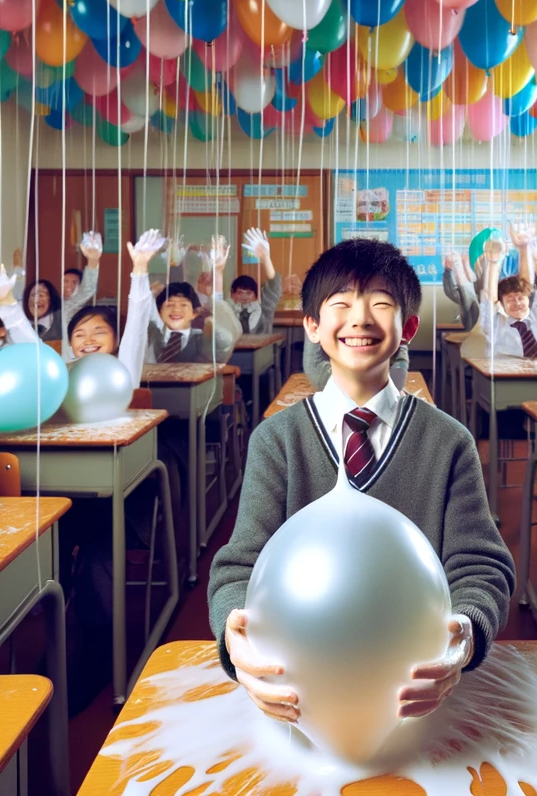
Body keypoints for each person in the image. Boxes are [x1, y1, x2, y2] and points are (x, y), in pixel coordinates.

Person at [208, 239, 514, 724]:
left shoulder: (448, 442)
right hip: (299, 692)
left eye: (381, 302)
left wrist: (466, 637)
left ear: (408, 327)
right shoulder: (276, 441)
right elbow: (239, 566)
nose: (361, 318)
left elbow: (481, 565)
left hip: (420, 692)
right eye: (341, 303)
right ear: (313, 325)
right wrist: (236, 641)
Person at [0, 229, 165, 389]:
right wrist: (5, 299)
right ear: (70, 344)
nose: (89, 340)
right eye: (79, 335)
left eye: (99, 332)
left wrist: (140, 269)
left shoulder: (124, 368)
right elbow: (32, 347)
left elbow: (136, 326)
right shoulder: (64, 373)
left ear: (117, 339)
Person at [147, 235, 241, 363]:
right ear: (159, 312)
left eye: (183, 305)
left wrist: (218, 273)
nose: (176, 309)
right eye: (170, 305)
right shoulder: (154, 334)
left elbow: (226, 339)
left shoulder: (201, 337)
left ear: (195, 312)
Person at [19, 231, 103, 343]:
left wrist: (93, 260)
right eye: (34, 294)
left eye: (44, 294)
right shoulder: (18, 317)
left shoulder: (64, 312)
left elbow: (86, 291)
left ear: (52, 300)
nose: (38, 298)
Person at [230, 228, 282, 335]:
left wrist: (265, 259)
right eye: (240, 293)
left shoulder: (264, 310)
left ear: (255, 295)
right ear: (232, 294)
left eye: (249, 293)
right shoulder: (228, 311)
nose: (244, 297)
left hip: (260, 351)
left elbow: (273, 288)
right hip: (233, 351)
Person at [441, 248, 480, 330]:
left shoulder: (478, 282)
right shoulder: (464, 294)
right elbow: (450, 291)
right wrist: (448, 270)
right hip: (474, 331)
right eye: (456, 264)